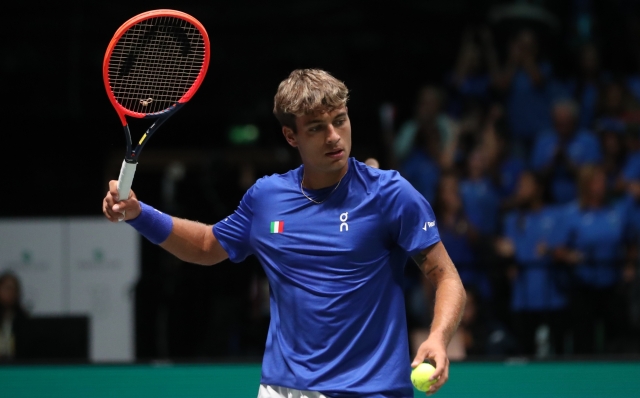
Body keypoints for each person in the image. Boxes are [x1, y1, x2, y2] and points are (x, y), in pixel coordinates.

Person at [103, 69, 466, 398]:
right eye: (316, 128)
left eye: (340, 120)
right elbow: (206, 245)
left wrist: (437, 337)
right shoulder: (267, 197)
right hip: (282, 389)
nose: (334, 137)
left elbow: (446, 276)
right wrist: (138, 213)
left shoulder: (390, 194)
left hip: (368, 390)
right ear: (291, 136)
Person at [553, 165, 637, 354]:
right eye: (597, 181)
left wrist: (629, 266)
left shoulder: (616, 211)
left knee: (618, 337)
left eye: (603, 180)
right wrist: (571, 256)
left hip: (614, 284)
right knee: (584, 338)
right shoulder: (571, 214)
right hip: (584, 285)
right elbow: (557, 250)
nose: (602, 185)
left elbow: (631, 241)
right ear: (586, 185)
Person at [495, 172, 568, 356]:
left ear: (539, 188)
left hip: (553, 299)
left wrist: (552, 251)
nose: (520, 190)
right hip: (522, 301)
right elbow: (507, 253)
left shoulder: (556, 216)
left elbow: (563, 250)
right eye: (519, 186)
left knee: (556, 356)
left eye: (525, 185)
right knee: (525, 354)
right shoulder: (512, 220)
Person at [0, 272, 28, 361]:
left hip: (16, 365)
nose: (10, 293)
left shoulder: (23, 318)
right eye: (7, 288)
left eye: (14, 289)